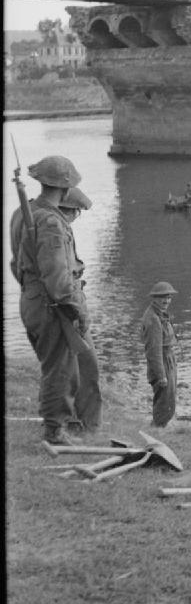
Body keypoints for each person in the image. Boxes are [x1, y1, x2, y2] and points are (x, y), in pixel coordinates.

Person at [9, 155, 90, 445]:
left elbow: (16, 264)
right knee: (61, 369)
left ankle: (54, 424)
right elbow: (58, 279)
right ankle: (55, 431)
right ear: (65, 188)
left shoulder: (23, 213)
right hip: (52, 306)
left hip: (31, 300)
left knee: (52, 365)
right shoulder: (52, 223)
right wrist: (78, 309)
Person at [57, 186, 103, 434]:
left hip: (63, 302)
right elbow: (61, 279)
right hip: (68, 305)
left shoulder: (54, 228)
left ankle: (73, 421)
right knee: (88, 366)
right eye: (77, 212)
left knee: (69, 367)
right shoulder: (58, 232)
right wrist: (79, 312)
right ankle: (88, 425)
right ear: (72, 211)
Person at [140, 281, 179, 428]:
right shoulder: (153, 319)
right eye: (162, 297)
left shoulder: (159, 314)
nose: (166, 301)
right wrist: (161, 375)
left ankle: (159, 425)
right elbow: (153, 351)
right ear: (154, 298)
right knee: (165, 397)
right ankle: (157, 427)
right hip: (162, 361)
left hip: (167, 358)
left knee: (168, 396)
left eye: (169, 297)